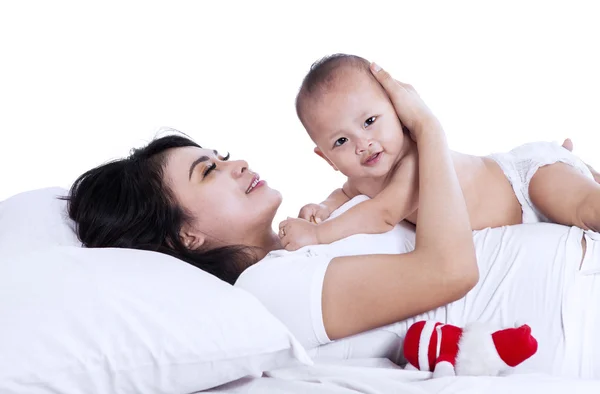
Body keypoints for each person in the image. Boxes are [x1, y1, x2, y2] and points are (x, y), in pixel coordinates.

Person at [66, 65, 600, 378]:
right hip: (576, 307)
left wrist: (553, 181)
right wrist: (427, 127)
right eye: (209, 171)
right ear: (187, 235)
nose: (238, 164)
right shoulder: (268, 287)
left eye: (221, 154)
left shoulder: (302, 244)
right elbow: (449, 270)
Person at [280, 54, 600, 251]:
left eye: (369, 121)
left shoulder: (415, 160)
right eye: (340, 142)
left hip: (524, 181)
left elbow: (383, 213)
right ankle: (583, 169)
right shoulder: (364, 177)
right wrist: (322, 207)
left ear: (399, 108)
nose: (362, 144)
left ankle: (579, 171)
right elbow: (344, 193)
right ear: (326, 158)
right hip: (519, 213)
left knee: (587, 208)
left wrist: (318, 234)